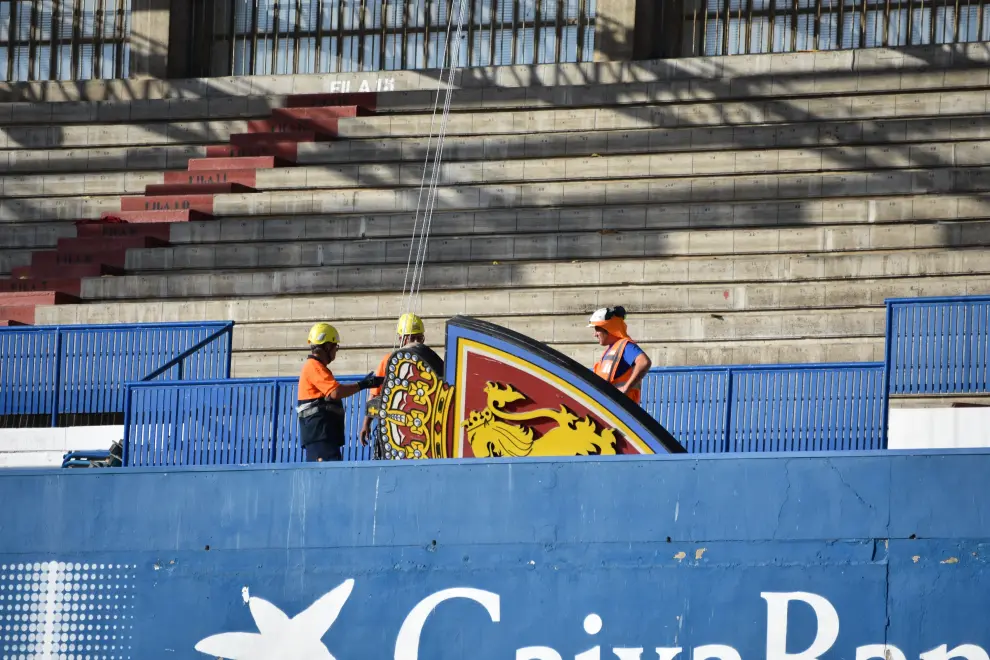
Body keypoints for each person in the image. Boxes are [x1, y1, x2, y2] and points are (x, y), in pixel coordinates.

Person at [297, 322, 383, 462]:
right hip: (320, 436)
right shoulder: (314, 367)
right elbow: (336, 392)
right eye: (335, 347)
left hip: (324, 436)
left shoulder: (316, 367)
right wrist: (363, 384)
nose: (336, 351)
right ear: (327, 346)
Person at [359, 313, 427, 450]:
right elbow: (374, 395)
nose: (416, 342)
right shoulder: (388, 361)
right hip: (392, 424)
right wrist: (366, 424)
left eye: (419, 338)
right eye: (412, 338)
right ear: (401, 339)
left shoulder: (427, 361)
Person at [589, 306, 651, 405]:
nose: (595, 334)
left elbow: (644, 362)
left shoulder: (625, 346)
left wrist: (626, 388)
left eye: (597, 329)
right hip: (610, 406)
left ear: (608, 328)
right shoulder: (611, 350)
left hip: (621, 408)